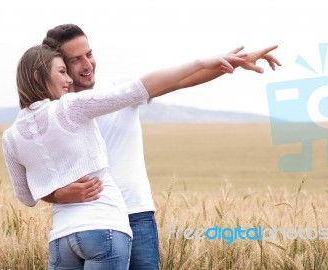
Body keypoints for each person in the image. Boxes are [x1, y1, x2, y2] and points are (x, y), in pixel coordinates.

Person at [40, 24, 281, 270]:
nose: (88, 64)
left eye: (89, 54)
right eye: (76, 59)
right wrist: (58, 195)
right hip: (84, 225)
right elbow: (35, 182)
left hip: (135, 215)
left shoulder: (120, 90)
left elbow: (182, 79)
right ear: (58, 64)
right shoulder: (48, 115)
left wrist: (236, 62)